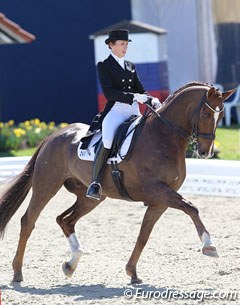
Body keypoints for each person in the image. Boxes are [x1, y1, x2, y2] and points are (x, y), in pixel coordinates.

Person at [86, 29, 161, 200]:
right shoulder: (104, 66)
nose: (124, 47)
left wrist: (150, 98)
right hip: (116, 110)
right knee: (108, 139)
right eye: (121, 44)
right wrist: (135, 96)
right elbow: (109, 93)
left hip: (134, 110)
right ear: (111, 45)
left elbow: (140, 88)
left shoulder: (130, 66)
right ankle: (95, 182)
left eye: (126, 44)